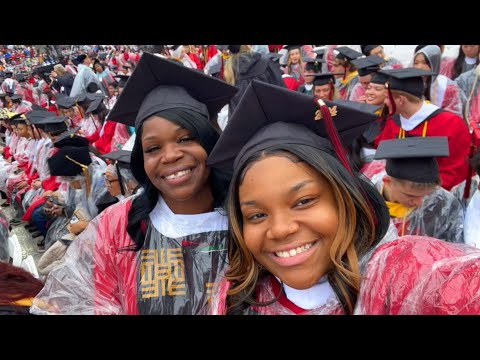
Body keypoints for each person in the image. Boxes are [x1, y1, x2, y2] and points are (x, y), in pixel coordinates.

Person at [205, 79, 480, 315]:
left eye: (303, 201)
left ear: (344, 198)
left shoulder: (396, 273)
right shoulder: (235, 299)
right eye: (257, 215)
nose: (280, 229)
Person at [31, 53, 238, 315]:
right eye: (153, 148)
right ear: (142, 159)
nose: (171, 155)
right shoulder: (118, 226)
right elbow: (94, 302)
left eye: (186, 139)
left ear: (209, 142)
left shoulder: (245, 218)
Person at [374, 68, 470, 191]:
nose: (385, 102)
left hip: (434, 197)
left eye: (387, 97)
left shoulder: (451, 124)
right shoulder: (393, 122)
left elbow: (454, 172)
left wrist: (418, 193)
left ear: (401, 100)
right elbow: (383, 158)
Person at [373, 136, 464, 242]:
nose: (419, 202)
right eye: (410, 195)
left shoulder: (443, 204)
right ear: (388, 182)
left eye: (425, 195)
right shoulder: (367, 200)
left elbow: (452, 245)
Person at [413, 45, 465, 117]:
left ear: (434, 63)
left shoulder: (447, 87)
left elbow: (453, 115)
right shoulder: (410, 83)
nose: (419, 67)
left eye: (424, 62)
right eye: (416, 63)